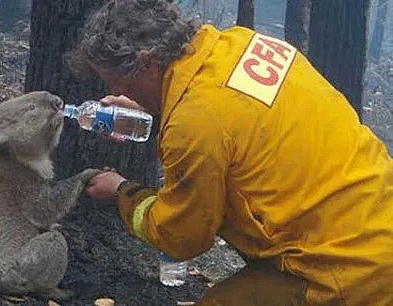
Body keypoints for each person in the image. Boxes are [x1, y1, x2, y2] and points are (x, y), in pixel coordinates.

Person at [68, 0, 393, 305]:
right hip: (377, 217)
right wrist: (160, 110)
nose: (115, 94)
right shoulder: (241, 45)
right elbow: (232, 124)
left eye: (116, 83)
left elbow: (181, 237)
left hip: (344, 269)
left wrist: (123, 191)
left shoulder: (195, 123)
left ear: (147, 64)